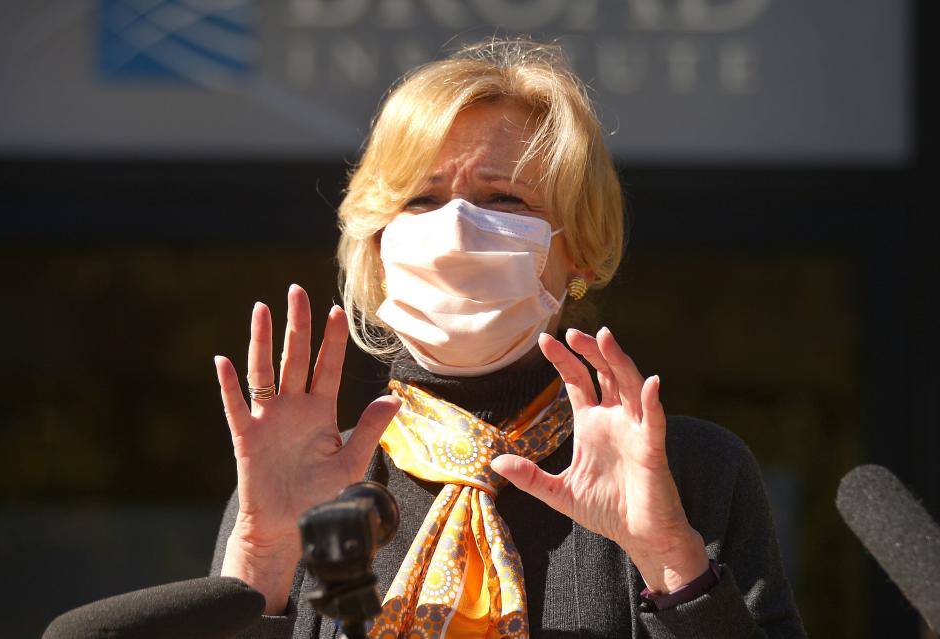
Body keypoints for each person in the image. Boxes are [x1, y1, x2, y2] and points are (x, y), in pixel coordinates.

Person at [210, 37, 805, 638]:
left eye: (504, 200)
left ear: (581, 254)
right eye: (422, 199)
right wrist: (264, 553)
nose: (457, 230)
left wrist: (672, 559)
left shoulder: (688, 471)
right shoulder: (307, 477)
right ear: (376, 247)